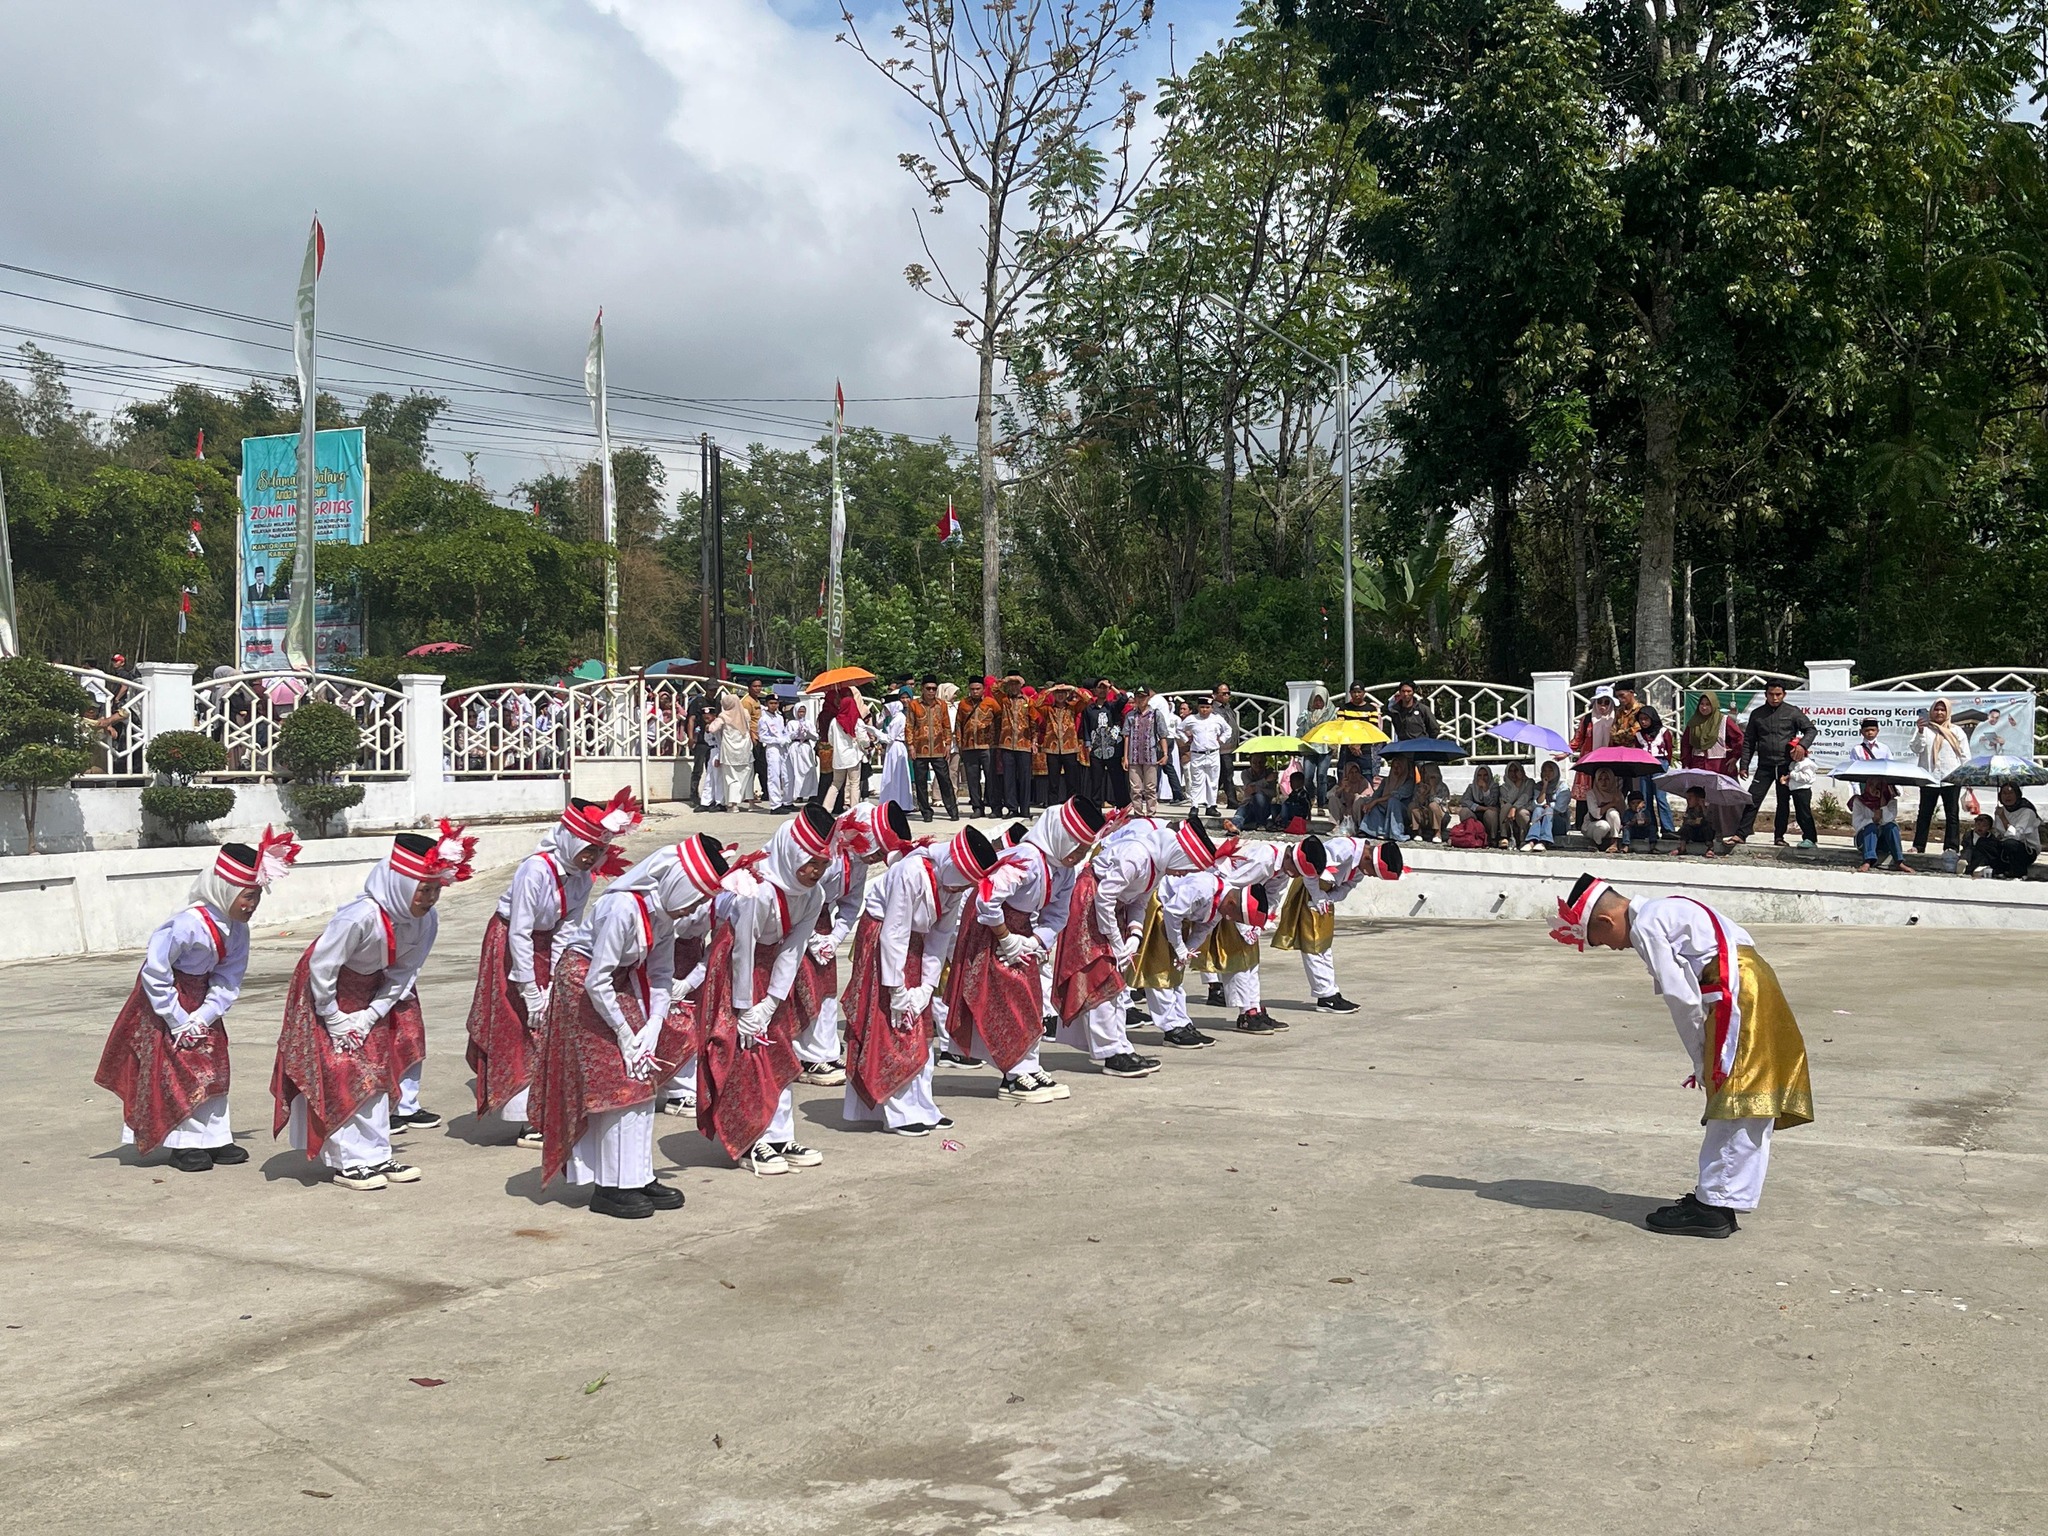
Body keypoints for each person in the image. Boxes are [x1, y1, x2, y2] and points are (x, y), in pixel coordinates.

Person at [1552, 874, 1813, 1237]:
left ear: (1604, 921)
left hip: (1734, 993)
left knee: (1735, 1096)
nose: (1612, 949)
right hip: (1751, 981)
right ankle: (1717, 1197)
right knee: (1745, 1097)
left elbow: (1683, 999)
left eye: (1600, 941)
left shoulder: (1645, 925)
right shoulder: (1667, 906)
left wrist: (1700, 1059)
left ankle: (1715, 1207)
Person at [532, 833, 729, 1218]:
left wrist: (652, 1027)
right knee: (618, 1082)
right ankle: (609, 1186)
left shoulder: (663, 914)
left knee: (644, 1075)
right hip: (585, 985)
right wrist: (625, 1035)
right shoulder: (624, 907)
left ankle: (637, 1174)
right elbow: (596, 979)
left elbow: (659, 973)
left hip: (620, 984)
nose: (695, 907)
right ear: (675, 884)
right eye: (693, 896)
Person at [271, 825, 475, 1191]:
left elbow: (403, 972)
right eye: (423, 890)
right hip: (324, 993)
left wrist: (368, 1018)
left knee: (376, 1073)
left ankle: (377, 1153)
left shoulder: (426, 921)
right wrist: (333, 1018)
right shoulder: (360, 916)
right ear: (400, 883)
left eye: (435, 890)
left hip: (371, 996)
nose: (429, 898)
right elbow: (322, 966)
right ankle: (348, 1161)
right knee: (342, 1072)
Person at [95, 830, 300, 1172]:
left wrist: (204, 1016)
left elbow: (229, 977)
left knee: (215, 1066)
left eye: (256, 897)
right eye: (246, 897)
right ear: (227, 890)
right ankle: (183, 1144)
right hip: (166, 1003)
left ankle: (213, 1137)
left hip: (202, 1003)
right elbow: (155, 971)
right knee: (178, 1070)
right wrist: (176, 1019)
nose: (251, 905)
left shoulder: (237, 929)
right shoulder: (187, 925)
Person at [465, 790, 640, 1148]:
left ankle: (541, 1109)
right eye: (586, 848)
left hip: (546, 946)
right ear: (570, 840)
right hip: (511, 945)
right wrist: (530, 988)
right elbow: (520, 930)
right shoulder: (536, 869)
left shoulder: (582, 876)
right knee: (519, 1025)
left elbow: (568, 927)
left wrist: (553, 980)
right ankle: (522, 1116)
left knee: (548, 1023)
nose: (591, 857)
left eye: (597, 851)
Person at [695, 805, 838, 1174]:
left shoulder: (813, 895)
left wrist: (772, 1002)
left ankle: (779, 1133)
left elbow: (793, 948)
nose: (814, 873)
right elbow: (741, 948)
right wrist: (744, 1010)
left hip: (772, 971)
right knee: (745, 1053)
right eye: (810, 863)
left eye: (822, 865)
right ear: (792, 854)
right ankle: (749, 1139)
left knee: (778, 1051)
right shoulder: (757, 892)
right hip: (735, 971)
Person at [946, 796, 1106, 1103]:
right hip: (990, 929)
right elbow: (985, 900)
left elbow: (1058, 914)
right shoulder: (1027, 858)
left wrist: (1035, 942)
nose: (1080, 854)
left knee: (1031, 999)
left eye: (1085, 849)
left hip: (1021, 934)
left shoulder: (1062, 869)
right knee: (1009, 1000)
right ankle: (1014, 1073)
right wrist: (1005, 938)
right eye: (1078, 846)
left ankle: (1028, 1066)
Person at [841, 824, 997, 1136]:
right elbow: (894, 933)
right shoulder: (911, 871)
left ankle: (921, 1104)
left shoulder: (954, 884)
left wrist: (926, 987)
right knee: (892, 1027)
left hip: (916, 945)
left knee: (920, 1029)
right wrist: (897, 991)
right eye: (958, 885)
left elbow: (941, 935)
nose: (957, 891)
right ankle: (896, 1111)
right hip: (883, 945)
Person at [1054, 812, 1222, 1078]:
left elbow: (1140, 902)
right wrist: (1117, 942)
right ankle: (1112, 1052)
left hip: (1110, 913)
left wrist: (1134, 935)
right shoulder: (1138, 854)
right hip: (1090, 906)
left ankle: (1118, 1046)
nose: (1182, 874)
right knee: (1102, 980)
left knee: (1115, 982)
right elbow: (1104, 897)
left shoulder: (1158, 863)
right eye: (1186, 867)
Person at [795, 801, 914, 1089]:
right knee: (803, 989)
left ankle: (823, 1049)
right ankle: (805, 1055)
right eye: (878, 852)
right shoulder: (828, 857)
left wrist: (834, 938)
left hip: (820, 927)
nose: (878, 859)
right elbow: (800, 896)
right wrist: (811, 939)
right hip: (796, 921)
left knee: (825, 990)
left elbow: (851, 905)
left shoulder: (858, 864)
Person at [1271, 834, 1400, 1011]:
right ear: (1368, 857)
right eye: (1372, 872)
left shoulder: (1361, 867)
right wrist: (1317, 896)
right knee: (1313, 944)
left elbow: (1347, 887)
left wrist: (1329, 898)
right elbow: (1312, 871)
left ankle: (1331, 991)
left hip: (1324, 897)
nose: (1369, 875)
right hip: (1310, 891)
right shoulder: (1344, 848)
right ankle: (1325, 995)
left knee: (1324, 944)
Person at [1735, 683, 1817, 845]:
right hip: (1765, 765)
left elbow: (1811, 729)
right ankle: (1741, 834)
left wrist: (1802, 745)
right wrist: (1744, 765)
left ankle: (1779, 836)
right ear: (1765, 694)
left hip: (1786, 765)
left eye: (1778, 694)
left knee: (1783, 802)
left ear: (1784, 694)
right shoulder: (1757, 714)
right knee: (1752, 798)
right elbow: (1749, 741)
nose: (1775, 697)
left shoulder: (1792, 711)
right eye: (1771, 694)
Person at [1682, 691, 1746, 844]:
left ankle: (1724, 830)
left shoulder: (1724, 721)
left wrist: (1735, 757)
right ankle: (1695, 832)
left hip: (1720, 765)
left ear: (1714, 705)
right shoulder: (1693, 723)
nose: (1704, 708)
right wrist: (1686, 763)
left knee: (1720, 800)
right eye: (1702, 704)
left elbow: (1739, 739)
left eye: (1707, 704)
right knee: (1699, 799)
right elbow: (1686, 744)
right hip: (1698, 765)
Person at [1910, 699, 1969, 863]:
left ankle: (1951, 847)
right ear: (1931, 711)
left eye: (1943, 710)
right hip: (1929, 777)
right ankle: (1919, 845)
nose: (1940, 713)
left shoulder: (1957, 731)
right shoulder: (1925, 730)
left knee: (1952, 814)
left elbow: (1964, 755)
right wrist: (1920, 731)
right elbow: (1916, 748)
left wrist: (1966, 777)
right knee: (1924, 813)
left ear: (1948, 712)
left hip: (1951, 778)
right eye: (1936, 710)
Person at [906, 676, 959, 822]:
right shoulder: (914, 705)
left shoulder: (941, 704)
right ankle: (926, 812)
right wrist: (910, 745)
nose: (931, 691)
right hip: (919, 749)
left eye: (934, 688)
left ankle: (952, 811)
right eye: (928, 688)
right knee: (921, 783)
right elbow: (909, 725)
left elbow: (946, 725)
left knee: (945, 780)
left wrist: (948, 744)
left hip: (938, 749)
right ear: (922, 688)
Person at [1961, 785, 2040, 878]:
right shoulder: (2000, 810)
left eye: (2011, 793)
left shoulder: (2027, 812)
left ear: (2018, 795)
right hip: (2004, 847)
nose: (2007, 796)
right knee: (1982, 842)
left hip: (2025, 850)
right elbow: (1998, 832)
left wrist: (2003, 817)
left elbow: (2015, 836)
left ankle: (2019, 872)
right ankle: (1996, 869)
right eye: (2004, 793)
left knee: (2010, 844)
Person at [824, 685, 878, 813]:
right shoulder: (857, 721)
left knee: (835, 784)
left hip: (838, 758)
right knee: (854, 784)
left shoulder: (834, 721)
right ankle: (853, 811)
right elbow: (863, 739)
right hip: (853, 757)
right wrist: (867, 746)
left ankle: (826, 809)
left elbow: (831, 740)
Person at [1569, 687, 1618, 830]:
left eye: (1606, 702)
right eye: (1600, 702)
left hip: (1609, 761)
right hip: (1589, 760)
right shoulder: (1588, 719)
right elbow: (1578, 739)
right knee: (1585, 794)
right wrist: (1566, 751)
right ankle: (1580, 824)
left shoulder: (1616, 719)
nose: (1603, 706)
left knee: (1605, 790)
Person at [955, 677, 1000, 817]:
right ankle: (977, 807)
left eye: (978, 689)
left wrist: (997, 741)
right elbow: (958, 724)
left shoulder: (991, 702)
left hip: (988, 746)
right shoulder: (963, 704)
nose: (975, 692)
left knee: (991, 778)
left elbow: (999, 720)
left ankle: (995, 807)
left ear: (983, 689)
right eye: (972, 689)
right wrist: (960, 743)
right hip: (969, 746)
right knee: (972, 779)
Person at [1080, 679, 1129, 808]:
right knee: (1096, 780)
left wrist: (1111, 686)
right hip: (1096, 749)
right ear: (1095, 690)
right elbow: (1086, 727)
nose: (1102, 690)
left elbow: (1124, 699)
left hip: (1112, 748)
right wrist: (1088, 744)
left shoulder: (1113, 706)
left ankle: (1122, 806)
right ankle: (1096, 807)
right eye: (1099, 688)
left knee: (1117, 778)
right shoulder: (1089, 709)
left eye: (1105, 688)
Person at [1181, 697, 1232, 819]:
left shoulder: (1217, 719)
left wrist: (1221, 740)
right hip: (1197, 754)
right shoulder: (1192, 719)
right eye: (1202, 707)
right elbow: (1179, 729)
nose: (1205, 710)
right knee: (1197, 781)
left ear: (1211, 708)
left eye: (1207, 707)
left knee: (1212, 781)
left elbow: (1228, 730)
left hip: (1213, 753)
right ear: (1198, 708)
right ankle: (1195, 806)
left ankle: (1211, 806)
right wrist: (1186, 739)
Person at [1036, 683, 1085, 803]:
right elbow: (1036, 704)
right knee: (1053, 781)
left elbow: (1087, 700)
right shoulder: (1048, 709)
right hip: (1052, 748)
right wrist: (1050, 690)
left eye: (1063, 693)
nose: (1060, 695)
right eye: (1058, 693)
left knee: (1072, 781)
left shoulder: (1072, 707)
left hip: (1070, 748)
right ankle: (1052, 806)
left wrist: (1073, 688)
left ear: (1067, 694)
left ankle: (1071, 806)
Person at [996, 675, 1036, 817]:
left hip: (1024, 743)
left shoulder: (1028, 701)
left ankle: (1025, 809)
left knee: (1025, 777)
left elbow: (1033, 723)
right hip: (1007, 743)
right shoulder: (1004, 700)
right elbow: (994, 689)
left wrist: (1034, 741)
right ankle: (1012, 808)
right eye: (1011, 685)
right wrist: (1005, 680)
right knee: (1008, 778)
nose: (1013, 687)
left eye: (1016, 684)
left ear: (1021, 686)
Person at [1850, 775, 1905, 872]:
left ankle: (1899, 861)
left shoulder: (1891, 802)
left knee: (1892, 827)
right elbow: (1856, 824)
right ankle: (1867, 861)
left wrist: (1883, 806)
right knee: (1871, 827)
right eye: (1871, 785)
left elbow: (1889, 819)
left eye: (1878, 786)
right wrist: (1872, 820)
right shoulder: (1859, 801)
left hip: (1884, 842)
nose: (1874, 789)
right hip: (1864, 840)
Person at [1123, 683, 1163, 817]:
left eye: (1143, 697)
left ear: (1148, 698)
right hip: (1134, 756)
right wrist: (1126, 757)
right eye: (1138, 697)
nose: (1141, 700)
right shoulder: (1130, 716)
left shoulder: (1155, 714)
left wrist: (1165, 753)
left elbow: (1162, 734)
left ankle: (1151, 812)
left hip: (1150, 755)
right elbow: (1127, 736)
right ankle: (1138, 812)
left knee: (1150, 787)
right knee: (1135, 788)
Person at [1296, 691, 1337, 809]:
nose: (1318, 703)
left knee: (1321, 776)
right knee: (1307, 777)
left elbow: (1335, 730)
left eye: (1321, 700)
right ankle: (1312, 795)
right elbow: (1301, 729)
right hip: (1310, 747)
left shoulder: (1331, 713)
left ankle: (1321, 804)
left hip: (1325, 748)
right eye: (1316, 700)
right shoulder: (1307, 714)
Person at [756, 695, 795, 811]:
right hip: (772, 748)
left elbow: (782, 731)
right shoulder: (764, 719)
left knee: (787, 774)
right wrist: (777, 740)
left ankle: (787, 801)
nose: (774, 705)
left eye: (776, 703)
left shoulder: (779, 717)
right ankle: (775, 804)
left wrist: (787, 737)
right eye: (771, 703)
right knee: (774, 775)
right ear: (767, 704)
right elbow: (762, 737)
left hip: (783, 747)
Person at [1780, 740, 1821, 847]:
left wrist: (1792, 774)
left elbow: (1806, 778)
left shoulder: (1807, 764)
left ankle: (1810, 838)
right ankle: (1807, 837)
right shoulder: (1794, 764)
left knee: (1804, 814)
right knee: (1799, 815)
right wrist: (1786, 782)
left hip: (1803, 791)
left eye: (1794, 751)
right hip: (1795, 791)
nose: (1792, 754)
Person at [877, 695, 913, 814]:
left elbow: (889, 738)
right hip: (895, 748)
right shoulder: (897, 717)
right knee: (894, 776)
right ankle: (895, 801)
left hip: (896, 747)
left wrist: (875, 732)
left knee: (896, 775)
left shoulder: (898, 718)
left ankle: (898, 802)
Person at [1211, 683, 1243, 807]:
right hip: (1220, 748)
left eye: (1228, 693)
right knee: (1227, 775)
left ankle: (1210, 800)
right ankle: (1232, 801)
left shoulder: (1228, 708)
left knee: (1223, 775)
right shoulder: (1213, 710)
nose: (1227, 695)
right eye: (1223, 693)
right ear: (1215, 695)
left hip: (1230, 748)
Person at [1233, 754, 1281, 830]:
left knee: (1259, 796)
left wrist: (1257, 789)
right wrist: (1266, 780)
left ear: (1265, 762)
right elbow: (1249, 788)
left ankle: (1261, 823)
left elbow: (1272, 793)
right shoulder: (1245, 773)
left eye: (1261, 762)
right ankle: (1235, 827)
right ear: (1250, 763)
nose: (1258, 765)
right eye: (1255, 762)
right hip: (1248, 805)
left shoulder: (1270, 773)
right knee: (1240, 814)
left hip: (1263, 807)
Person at [1528, 759, 1569, 849]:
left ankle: (1544, 840)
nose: (1547, 773)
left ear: (1555, 772)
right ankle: (1532, 840)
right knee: (1538, 810)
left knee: (1548, 809)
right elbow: (1536, 805)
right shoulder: (1539, 786)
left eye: (1550, 770)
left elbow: (1560, 808)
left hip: (1558, 822)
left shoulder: (1562, 786)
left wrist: (1549, 806)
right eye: (1544, 771)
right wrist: (1544, 787)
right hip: (1541, 821)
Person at [1582, 767, 1625, 851]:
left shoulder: (1617, 794)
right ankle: (1596, 843)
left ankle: (1614, 841)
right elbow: (1595, 814)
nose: (1603, 782)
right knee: (1603, 826)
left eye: (1607, 779)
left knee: (1612, 812)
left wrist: (1618, 802)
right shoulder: (1591, 793)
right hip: (1593, 825)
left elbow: (1622, 814)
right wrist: (1611, 803)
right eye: (1600, 779)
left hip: (1613, 828)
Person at [743, 678, 769, 805]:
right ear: (749, 687)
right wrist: (751, 736)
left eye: (759, 686)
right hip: (753, 738)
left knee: (762, 766)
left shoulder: (757, 701)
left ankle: (765, 792)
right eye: (755, 686)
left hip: (761, 737)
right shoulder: (747, 702)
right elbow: (745, 721)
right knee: (753, 767)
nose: (758, 689)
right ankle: (747, 793)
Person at [1409, 762, 1450, 841]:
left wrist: (1432, 790)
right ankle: (1418, 832)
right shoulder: (1419, 786)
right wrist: (1422, 797)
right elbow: (1415, 801)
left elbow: (1440, 803)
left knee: (1433, 805)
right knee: (1412, 806)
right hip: (1424, 814)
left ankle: (1437, 833)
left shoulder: (1442, 787)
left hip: (1440, 815)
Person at [1464, 765, 1502, 844]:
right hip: (1476, 813)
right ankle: (1470, 834)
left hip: (1490, 816)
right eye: (1479, 775)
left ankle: (1492, 838)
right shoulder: (1471, 787)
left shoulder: (1494, 787)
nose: (1482, 778)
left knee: (1490, 813)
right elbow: (1465, 801)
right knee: (1464, 811)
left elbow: (1492, 803)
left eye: (1485, 775)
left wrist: (1485, 789)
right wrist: (1481, 808)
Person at [1499, 762, 1534, 848]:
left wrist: (1514, 808)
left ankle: (1523, 839)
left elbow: (1526, 796)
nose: (1513, 773)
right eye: (1510, 771)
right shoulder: (1504, 787)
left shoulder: (1529, 783)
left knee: (1521, 812)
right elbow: (1508, 800)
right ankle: (1504, 836)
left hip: (1525, 809)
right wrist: (1517, 785)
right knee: (1507, 806)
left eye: (1516, 770)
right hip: (1507, 813)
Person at [1675, 788, 1718, 856]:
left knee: (1707, 827)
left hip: (1704, 834)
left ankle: (1710, 848)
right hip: (1694, 833)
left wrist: (1703, 807)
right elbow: (1685, 822)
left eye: (1690, 798)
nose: (1688, 800)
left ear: (1698, 799)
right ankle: (1682, 848)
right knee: (1685, 828)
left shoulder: (1707, 809)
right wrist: (1692, 822)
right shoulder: (1690, 810)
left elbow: (1710, 820)